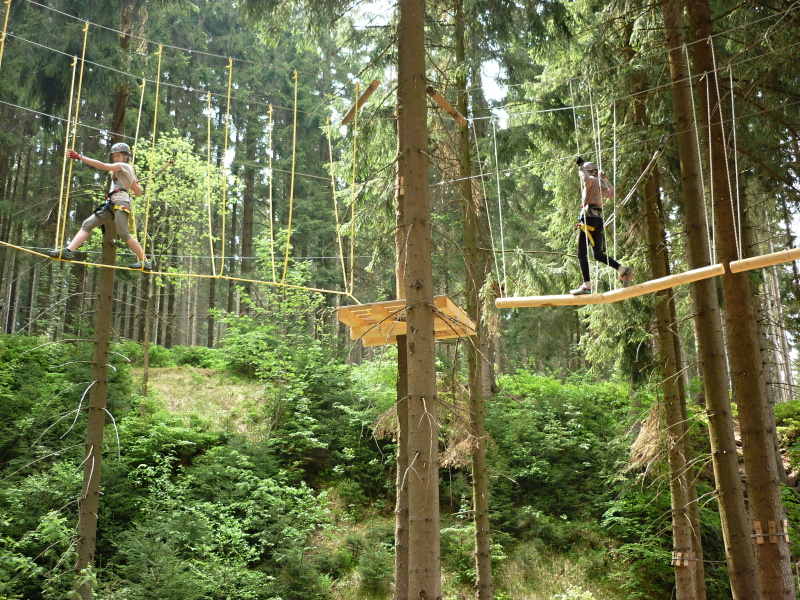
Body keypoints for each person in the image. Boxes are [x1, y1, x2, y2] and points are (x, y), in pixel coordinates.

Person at [47, 142, 151, 271]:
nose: (115, 158)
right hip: (112, 204)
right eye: (114, 156)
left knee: (123, 233)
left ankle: (145, 262)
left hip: (121, 202)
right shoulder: (126, 170)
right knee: (87, 224)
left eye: (118, 156)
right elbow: (138, 192)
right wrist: (132, 179)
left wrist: (79, 157)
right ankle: (68, 251)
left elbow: (101, 166)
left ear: (126, 156)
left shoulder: (124, 166)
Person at [570, 156, 632, 294]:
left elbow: (585, 179)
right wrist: (604, 178)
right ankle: (622, 269)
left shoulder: (591, 181)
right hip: (598, 220)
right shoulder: (601, 184)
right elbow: (612, 194)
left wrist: (580, 166)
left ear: (589, 171)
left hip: (588, 219)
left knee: (581, 253)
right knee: (597, 254)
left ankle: (587, 285)